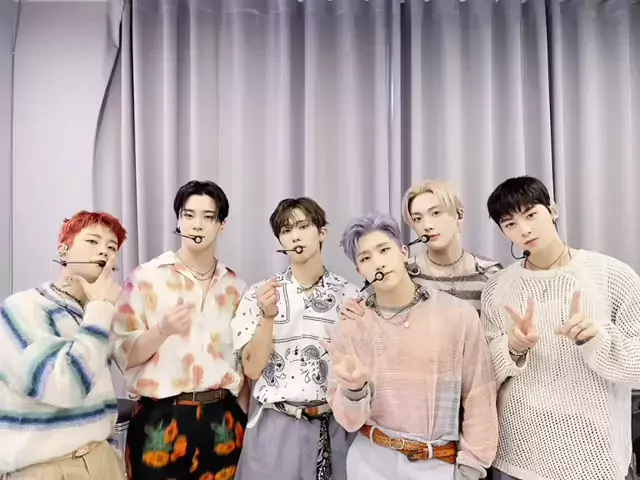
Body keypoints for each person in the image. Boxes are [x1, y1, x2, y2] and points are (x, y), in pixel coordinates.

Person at [482, 175, 640, 480]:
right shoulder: (497, 288)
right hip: (519, 454)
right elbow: (483, 373)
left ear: (552, 210)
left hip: (595, 456)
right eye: (510, 223)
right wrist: (512, 348)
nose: (524, 229)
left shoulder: (612, 275)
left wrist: (595, 339)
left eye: (531, 215)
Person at [323, 212, 498, 480]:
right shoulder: (351, 325)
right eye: (365, 258)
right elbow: (349, 421)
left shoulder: (457, 315)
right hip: (369, 460)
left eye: (384, 250)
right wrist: (353, 390)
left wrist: (472, 467)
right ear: (359, 271)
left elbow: (479, 394)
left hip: (438, 462)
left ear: (403, 252)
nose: (378, 262)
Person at [113, 180, 249, 480]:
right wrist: (162, 329)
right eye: (188, 215)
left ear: (221, 226)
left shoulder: (236, 287)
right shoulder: (146, 278)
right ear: (178, 221)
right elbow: (124, 355)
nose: (196, 224)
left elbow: (244, 361)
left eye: (207, 217)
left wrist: (243, 416)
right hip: (160, 418)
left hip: (222, 419)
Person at [232, 197, 359, 480]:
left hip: (335, 427)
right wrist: (267, 316)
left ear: (321, 233)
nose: (295, 236)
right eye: (286, 230)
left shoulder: (350, 296)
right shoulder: (258, 294)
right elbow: (251, 369)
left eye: (303, 226)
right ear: (280, 240)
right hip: (275, 426)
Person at [0, 211, 127, 479]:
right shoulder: (22, 308)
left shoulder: (95, 313)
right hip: (46, 468)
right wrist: (101, 309)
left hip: (102, 459)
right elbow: (64, 387)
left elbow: (131, 364)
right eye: (92, 241)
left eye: (111, 247)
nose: (103, 251)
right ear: (64, 250)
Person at [340, 180, 502, 319]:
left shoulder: (491, 273)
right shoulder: (401, 273)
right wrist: (352, 310)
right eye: (417, 219)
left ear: (459, 214)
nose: (427, 225)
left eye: (436, 213)